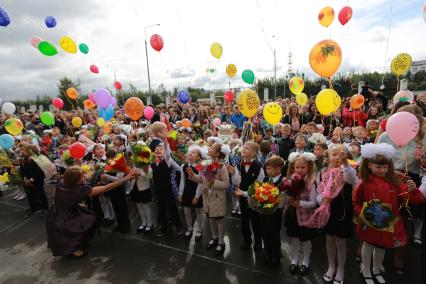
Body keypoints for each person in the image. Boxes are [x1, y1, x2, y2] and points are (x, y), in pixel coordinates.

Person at [354, 143, 425, 284]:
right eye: (378, 167)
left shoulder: (394, 181)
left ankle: (375, 270)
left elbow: (417, 199)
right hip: (369, 219)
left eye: (385, 167)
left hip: (386, 220)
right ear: (369, 165)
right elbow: (356, 201)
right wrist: (363, 213)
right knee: (368, 245)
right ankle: (366, 270)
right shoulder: (364, 182)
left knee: (382, 246)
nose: (382, 170)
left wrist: (413, 190)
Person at [46, 166, 137, 257]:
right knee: (78, 226)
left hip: (59, 211)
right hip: (65, 216)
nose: (85, 177)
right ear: (75, 180)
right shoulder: (78, 191)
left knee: (85, 221)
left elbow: (56, 193)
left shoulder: (62, 182)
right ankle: (73, 250)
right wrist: (126, 178)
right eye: (82, 176)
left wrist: (72, 203)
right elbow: (106, 188)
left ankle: (77, 244)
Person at [314, 144, 358, 284]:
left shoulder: (349, 169)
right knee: (330, 239)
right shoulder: (323, 172)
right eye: (335, 154)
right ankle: (331, 266)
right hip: (329, 209)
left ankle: (341, 269)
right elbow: (318, 193)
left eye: (341, 154)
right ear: (328, 156)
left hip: (343, 211)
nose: (338, 157)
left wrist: (345, 163)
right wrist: (322, 200)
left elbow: (352, 180)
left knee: (340, 242)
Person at [191, 143, 230, 256]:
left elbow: (226, 184)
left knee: (219, 220)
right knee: (211, 218)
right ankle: (214, 237)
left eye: (212, 148)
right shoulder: (205, 163)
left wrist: (213, 182)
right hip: (207, 196)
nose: (209, 148)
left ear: (217, 153)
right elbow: (202, 180)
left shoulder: (221, 166)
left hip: (217, 198)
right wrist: (193, 175)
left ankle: (221, 241)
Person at [285, 152, 318, 276]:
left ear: (308, 167)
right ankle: (294, 259)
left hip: (306, 217)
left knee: (305, 240)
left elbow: (313, 203)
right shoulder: (290, 180)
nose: (299, 170)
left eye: (303, 167)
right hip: (293, 215)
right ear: (293, 167)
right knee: (294, 238)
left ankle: (305, 261)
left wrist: (299, 203)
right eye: (297, 167)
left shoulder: (311, 182)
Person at [231, 142, 265, 251]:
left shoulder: (258, 166)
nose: (244, 149)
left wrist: (247, 194)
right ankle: (246, 240)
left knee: (256, 222)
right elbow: (236, 182)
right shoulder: (238, 165)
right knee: (244, 221)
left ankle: (258, 241)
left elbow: (260, 186)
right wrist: (232, 174)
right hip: (242, 198)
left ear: (254, 153)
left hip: (254, 198)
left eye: (247, 148)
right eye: (243, 148)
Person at [259, 155, 285, 267]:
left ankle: (275, 254)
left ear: (278, 169)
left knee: (274, 233)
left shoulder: (282, 181)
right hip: (265, 212)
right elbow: (260, 193)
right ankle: (267, 251)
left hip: (275, 213)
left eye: (269, 168)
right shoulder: (266, 179)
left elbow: (282, 200)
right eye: (266, 168)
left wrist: (273, 203)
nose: (266, 170)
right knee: (265, 232)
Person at [178, 145, 204, 241]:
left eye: (193, 152)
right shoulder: (183, 166)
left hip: (197, 192)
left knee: (198, 212)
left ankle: (200, 230)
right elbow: (182, 180)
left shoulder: (200, 166)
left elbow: (201, 183)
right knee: (186, 212)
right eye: (190, 152)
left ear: (198, 157)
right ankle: (189, 228)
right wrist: (180, 193)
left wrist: (197, 196)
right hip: (187, 191)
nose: (190, 154)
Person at [19, 142, 48, 218]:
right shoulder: (23, 158)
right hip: (27, 179)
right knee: (30, 194)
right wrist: (24, 179)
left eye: (24, 151)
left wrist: (32, 179)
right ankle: (33, 207)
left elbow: (39, 171)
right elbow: (22, 169)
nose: (22, 152)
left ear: (30, 151)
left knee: (40, 193)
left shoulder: (37, 158)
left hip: (37, 179)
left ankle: (45, 208)